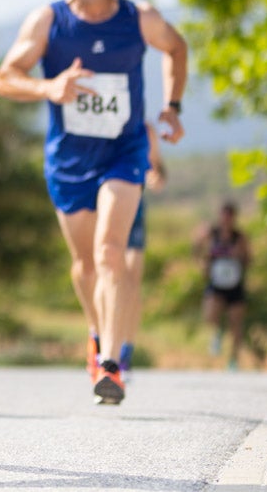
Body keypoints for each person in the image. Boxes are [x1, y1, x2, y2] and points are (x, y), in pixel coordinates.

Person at [0, 0, 187, 405]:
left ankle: (113, 365)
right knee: (84, 264)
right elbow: (5, 78)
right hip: (69, 160)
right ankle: (98, 335)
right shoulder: (48, 22)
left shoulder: (138, 18)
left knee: (109, 253)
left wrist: (173, 106)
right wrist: (49, 87)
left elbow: (177, 48)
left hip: (123, 154)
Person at [118, 121, 166, 381]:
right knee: (107, 277)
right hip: (101, 211)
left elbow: (158, 171)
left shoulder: (146, 130)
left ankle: (125, 350)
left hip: (134, 214)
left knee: (131, 282)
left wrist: (155, 176)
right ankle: (103, 343)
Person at [193, 201, 250, 370]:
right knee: (210, 313)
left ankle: (234, 360)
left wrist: (239, 256)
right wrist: (201, 264)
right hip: (216, 281)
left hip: (235, 283)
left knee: (236, 324)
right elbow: (196, 247)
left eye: (229, 217)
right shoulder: (212, 234)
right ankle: (217, 332)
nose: (226, 220)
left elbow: (249, 259)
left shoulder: (239, 237)